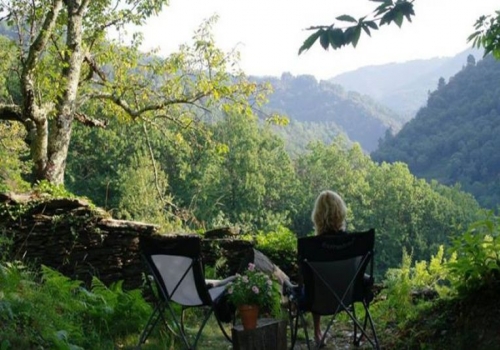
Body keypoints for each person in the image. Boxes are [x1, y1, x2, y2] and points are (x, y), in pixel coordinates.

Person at [310, 190, 347, 346]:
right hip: (347, 296)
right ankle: (360, 333)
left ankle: (317, 332)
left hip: (318, 299)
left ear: (317, 216)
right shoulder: (352, 242)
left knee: (314, 287)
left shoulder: (310, 246)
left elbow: (305, 281)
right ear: (340, 212)